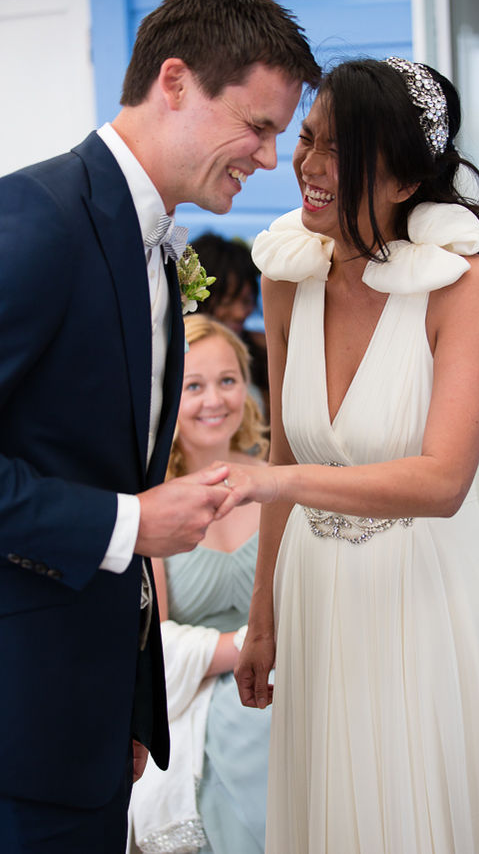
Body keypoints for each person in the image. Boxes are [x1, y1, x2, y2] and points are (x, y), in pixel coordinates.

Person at [223, 58, 479, 852]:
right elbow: (285, 448)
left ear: (402, 180)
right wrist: (262, 619)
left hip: (425, 595)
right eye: (306, 138)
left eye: (338, 151)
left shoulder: (464, 286)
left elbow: (444, 479)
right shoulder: (290, 276)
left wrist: (278, 477)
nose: (309, 168)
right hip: (314, 590)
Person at [0, 0, 319, 854]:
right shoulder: (37, 217)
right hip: (19, 719)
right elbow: (122, 510)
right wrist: (129, 521)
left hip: (95, 722)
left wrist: (133, 703)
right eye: (256, 127)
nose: (267, 159)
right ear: (173, 82)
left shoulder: (153, 246)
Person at [128, 314, 270, 853]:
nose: (215, 399)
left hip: (286, 676)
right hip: (196, 693)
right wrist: (246, 647)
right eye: (193, 385)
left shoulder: (277, 478)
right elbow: (150, 639)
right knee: (251, 722)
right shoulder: (151, 499)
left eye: (227, 381)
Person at [188, 232, 270, 417]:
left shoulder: (264, 349)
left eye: (246, 301)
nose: (240, 313)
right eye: (227, 301)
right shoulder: (178, 353)